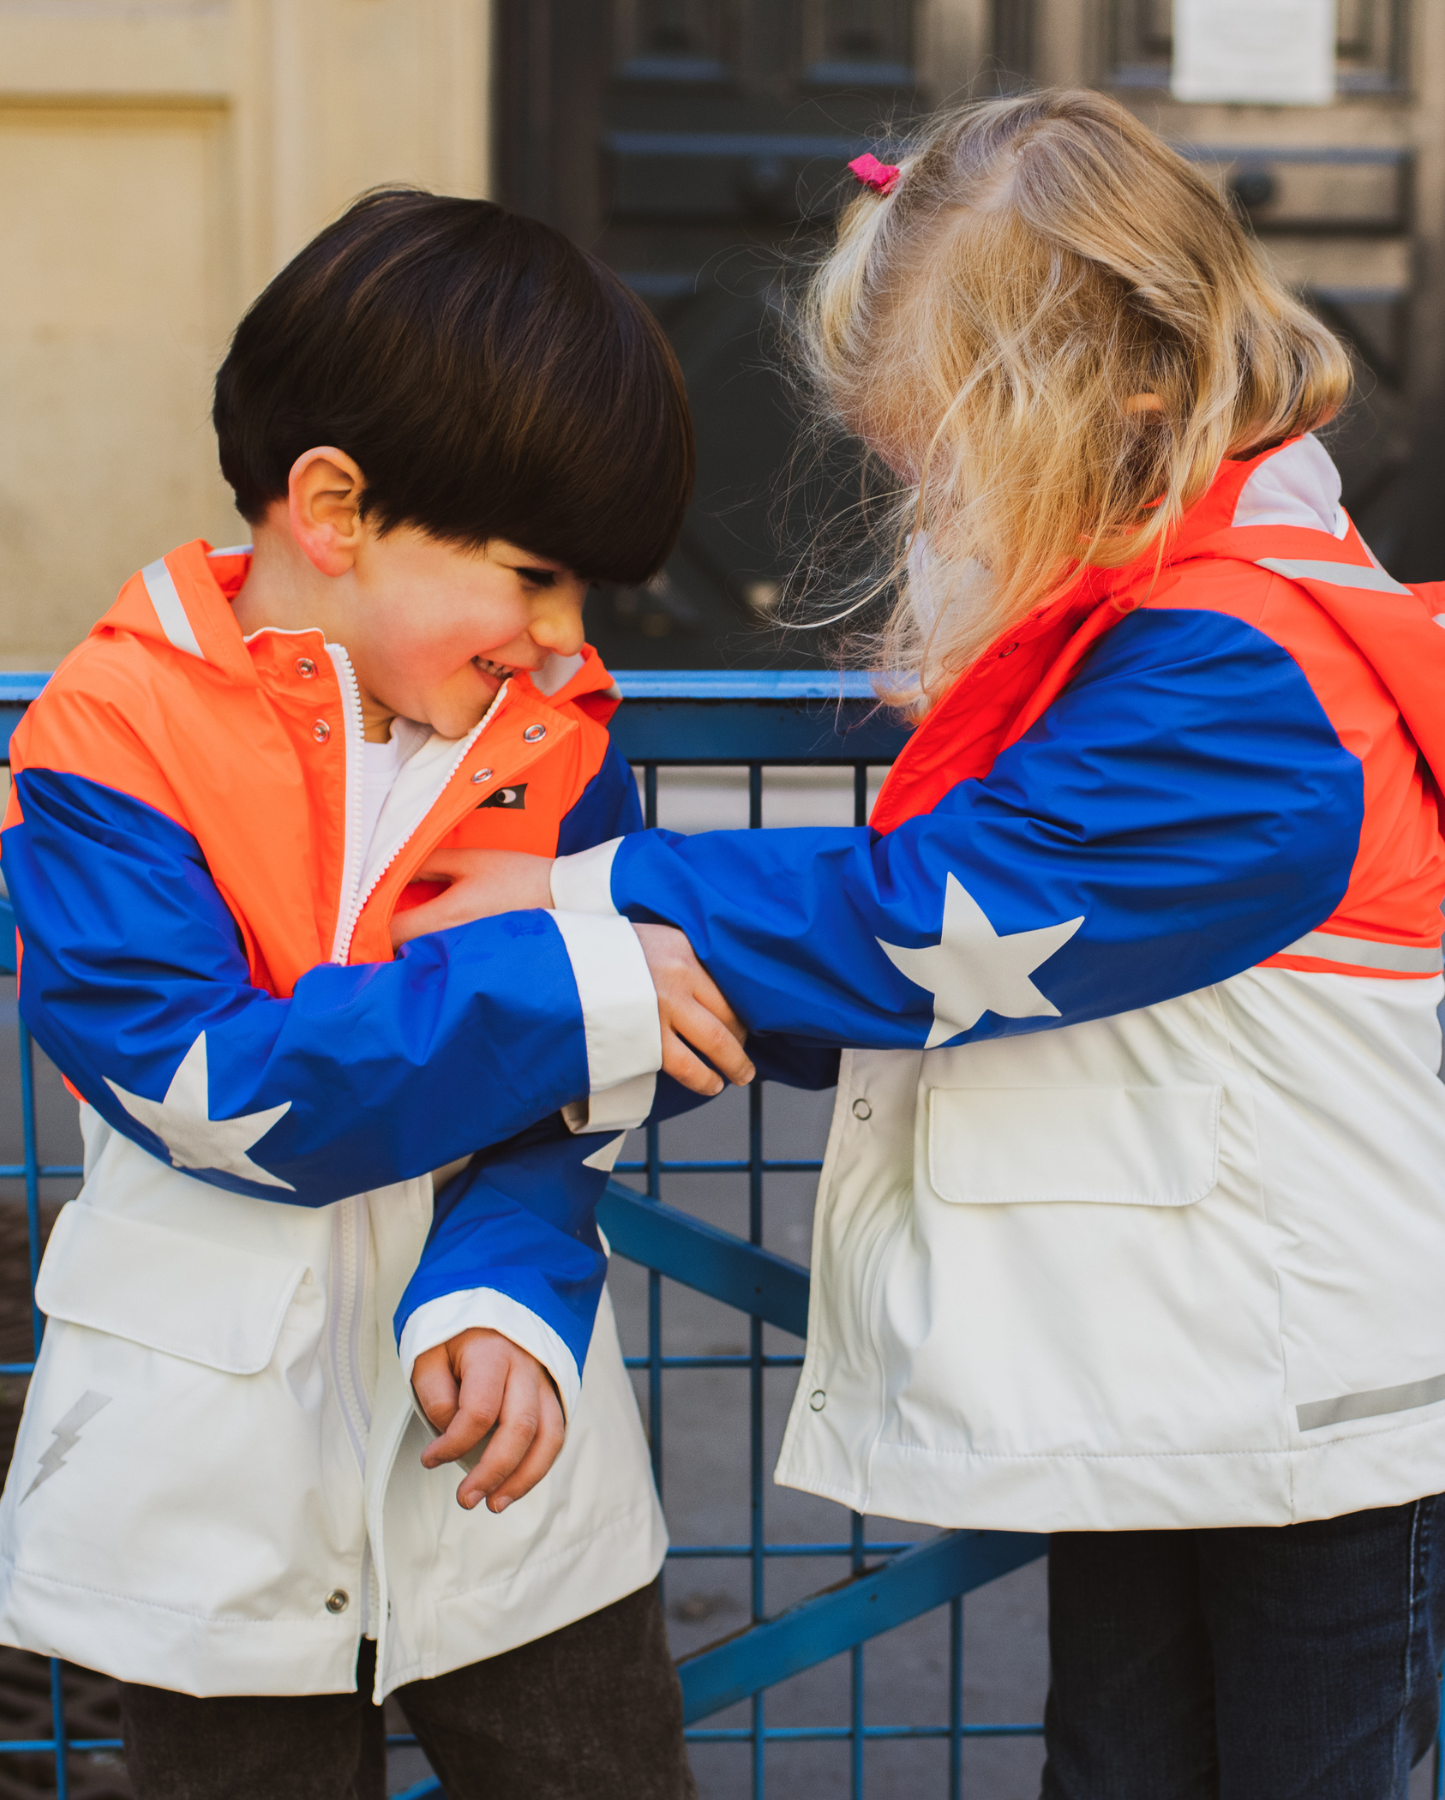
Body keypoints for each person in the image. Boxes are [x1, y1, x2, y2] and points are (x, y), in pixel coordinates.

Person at [425, 93, 1445, 1797]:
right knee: (1119, 1765)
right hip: (1181, 1365)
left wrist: (597, 898)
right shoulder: (1181, 605)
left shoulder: (1247, 666)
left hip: (1302, 1399)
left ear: (1125, 394)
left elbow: (952, 921)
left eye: (960, 441)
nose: (925, 487)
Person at [0, 190, 755, 1800]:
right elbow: (216, 1084)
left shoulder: (564, 752)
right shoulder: (104, 739)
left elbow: (574, 1107)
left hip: (513, 1482)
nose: (565, 645)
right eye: (536, 578)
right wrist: (567, 985)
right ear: (335, 507)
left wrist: (502, 1302)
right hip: (215, 1504)